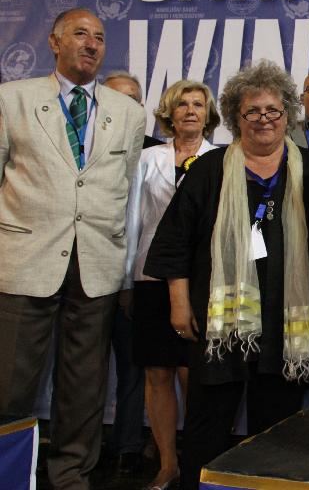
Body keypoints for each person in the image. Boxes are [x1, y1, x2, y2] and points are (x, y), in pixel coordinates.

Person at [143, 60, 309, 490]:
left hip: (287, 319)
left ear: (288, 115)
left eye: (273, 110)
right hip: (219, 318)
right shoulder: (209, 170)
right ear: (235, 118)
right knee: (208, 420)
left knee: (280, 423)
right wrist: (178, 302)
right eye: (252, 111)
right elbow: (175, 240)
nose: (264, 119)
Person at [0, 7, 145, 489]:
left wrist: (123, 273)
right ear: (53, 42)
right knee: (10, 385)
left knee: (84, 390)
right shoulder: (12, 99)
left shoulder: (128, 112)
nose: (91, 44)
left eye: (99, 38)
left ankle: (69, 478)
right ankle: (9, 473)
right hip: (23, 264)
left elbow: (123, 194)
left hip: (96, 267)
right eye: (80, 34)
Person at [125, 79, 220, 490]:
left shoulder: (222, 159)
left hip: (202, 283)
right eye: (182, 104)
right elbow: (133, 220)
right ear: (169, 112)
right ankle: (167, 464)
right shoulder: (149, 159)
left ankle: (198, 460)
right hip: (150, 278)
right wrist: (127, 278)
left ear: (208, 114)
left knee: (192, 374)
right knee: (157, 374)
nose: (190, 111)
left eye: (198, 104)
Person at [100, 70, 162, 475]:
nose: (127, 106)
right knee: (81, 373)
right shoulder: (85, 147)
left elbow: (141, 223)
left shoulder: (157, 153)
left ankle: (129, 446)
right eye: (118, 97)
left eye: (134, 99)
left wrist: (128, 283)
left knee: (134, 370)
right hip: (80, 272)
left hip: (133, 279)